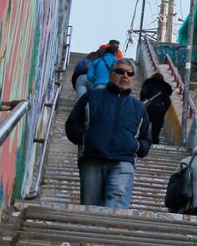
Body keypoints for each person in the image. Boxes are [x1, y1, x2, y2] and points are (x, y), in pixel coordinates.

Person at [65, 58, 152, 209]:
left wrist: (136, 146)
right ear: (111, 75)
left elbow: (146, 139)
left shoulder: (139, 107)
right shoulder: (91, 97)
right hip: (92, 160)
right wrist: (87, 139)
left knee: (116, 209)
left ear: (132, 79)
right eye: (120, 71)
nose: (125, 75)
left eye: (130, 73)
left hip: (123, 163)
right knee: (90, 209)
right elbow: (72, 125)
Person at [140, 73, 173, 144]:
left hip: (148, 109)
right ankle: (155, 145)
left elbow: (143, 93)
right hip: (159, 110)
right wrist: (163, 111)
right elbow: (168, 102)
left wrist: (142, 103)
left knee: (144, 130)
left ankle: (142, 145)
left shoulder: (148, 83)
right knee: (155, 134)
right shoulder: (164, 87)